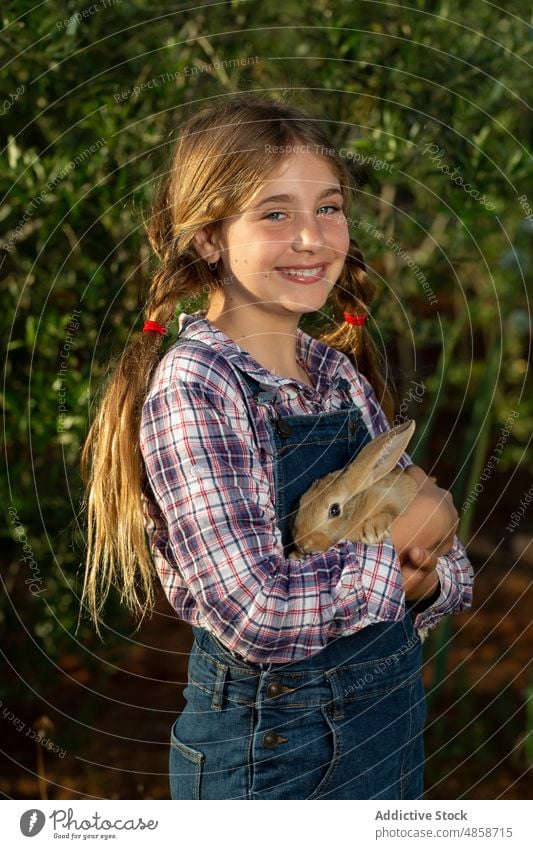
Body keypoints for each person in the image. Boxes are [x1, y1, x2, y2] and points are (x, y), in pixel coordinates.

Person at [81, 94, 474, 800]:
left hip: (385, 726)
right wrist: (404, 569)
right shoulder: (195, 386)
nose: (311, 237)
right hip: (273, 754)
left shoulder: (335, 373)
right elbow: (256, 611)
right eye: (274, 213)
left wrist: (431, 553)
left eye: (327, 207)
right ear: (208, 238)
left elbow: (447, 554)